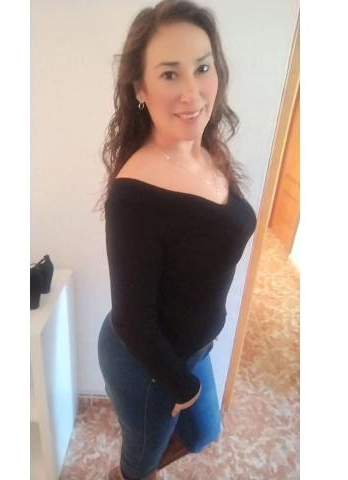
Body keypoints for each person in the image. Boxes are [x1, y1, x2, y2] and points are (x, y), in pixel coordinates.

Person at [95, 1, 257, 478]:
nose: (192, 92)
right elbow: (133, 320)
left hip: (193, 350)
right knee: (141, 459)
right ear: (140, 88)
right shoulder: (133, 196)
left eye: (202, 68)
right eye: (170, 74)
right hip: (146, 363)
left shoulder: (205, 146)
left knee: (204, 434)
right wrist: (181, 386)